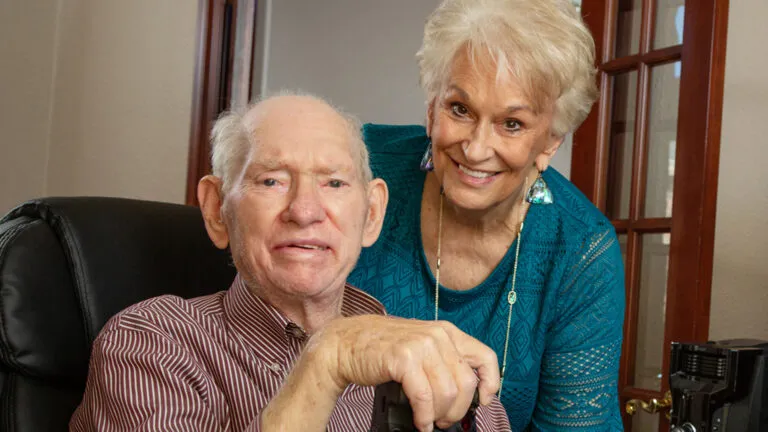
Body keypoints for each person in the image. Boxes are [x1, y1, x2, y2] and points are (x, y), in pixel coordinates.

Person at [70, 93, 511, 431]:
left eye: (334, 183)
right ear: (216, 209)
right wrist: (327, 358)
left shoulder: (432, 361)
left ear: (372, 214)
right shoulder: (149, 346)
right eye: (272, 180)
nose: (305, 210)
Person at [347, 0, 626, 430]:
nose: (476, 149)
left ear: (551, 142)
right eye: (460, 109)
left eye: (511, 124)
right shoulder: (356, 169)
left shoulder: (581, 252)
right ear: (431, 107)